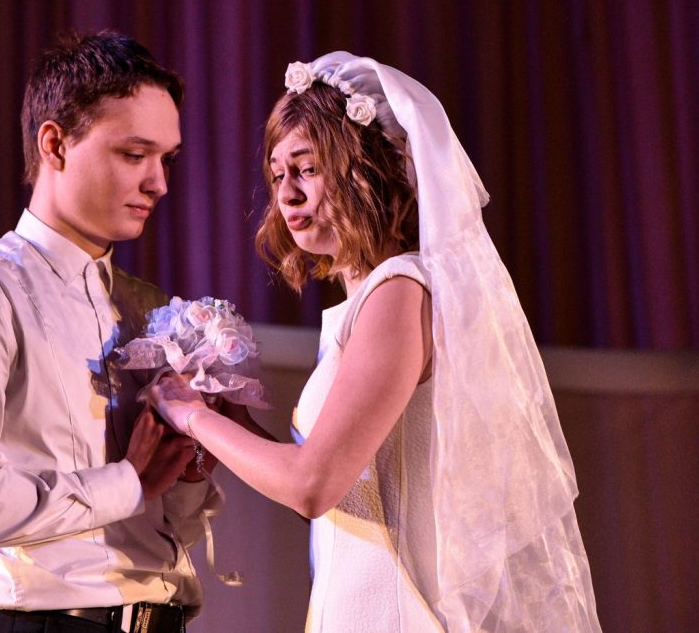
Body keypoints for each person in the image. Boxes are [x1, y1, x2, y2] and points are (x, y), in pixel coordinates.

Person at [148, 52, 602, 632]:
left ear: (364, 171)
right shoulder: (376, 300)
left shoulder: (398, 292)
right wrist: (231, 420)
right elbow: (349, 501)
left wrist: (188, 414)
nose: (286, 194)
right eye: (278, 173)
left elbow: (311, 485)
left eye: (308, 169)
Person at [0, 31, 219, 633]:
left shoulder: (148, 307)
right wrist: (125, 482)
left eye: (167, 160)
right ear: (54, 144)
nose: (159, 183)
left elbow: (156, 517)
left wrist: (190, 467)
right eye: (135, 154)